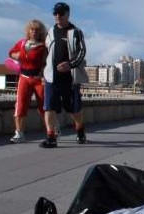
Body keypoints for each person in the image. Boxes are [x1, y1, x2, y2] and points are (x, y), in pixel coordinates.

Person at [40, 2, 88, 148]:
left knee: (73, 109)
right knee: (49, 107)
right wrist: (43, 71)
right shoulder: (50, 32)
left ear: (68, 14)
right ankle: (51, 137)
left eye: (61, 13)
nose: (57, 16)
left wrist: (70, 64)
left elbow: (82, 52)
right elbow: (45, 53)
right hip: (51, 77)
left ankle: (80, 130)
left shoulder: (76, 32)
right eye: (55, 13)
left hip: (70, 78)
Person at [8, 19, 47, 144]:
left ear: (40, 32)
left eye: (37, 30)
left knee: (44, 106)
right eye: (32, 29)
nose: (34, 32)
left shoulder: (43, 46)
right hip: (24, 78)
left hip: (38, 79)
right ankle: (19, 133)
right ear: (28, 31)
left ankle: (52, 130)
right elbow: (11, 53)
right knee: (20, 105)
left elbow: (47, 63)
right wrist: (17, 56)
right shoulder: (21, 43)